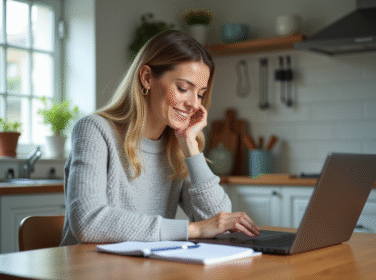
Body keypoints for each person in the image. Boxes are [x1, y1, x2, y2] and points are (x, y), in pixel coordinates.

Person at [60, 30, 260, 245]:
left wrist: (191, 147)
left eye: (200, 94)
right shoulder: (94, 130)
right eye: (183, 88)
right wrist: (192, 229)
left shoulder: (176, 146)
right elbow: (88, 222)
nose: (194, 103)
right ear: (147, 78)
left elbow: (218, 221)